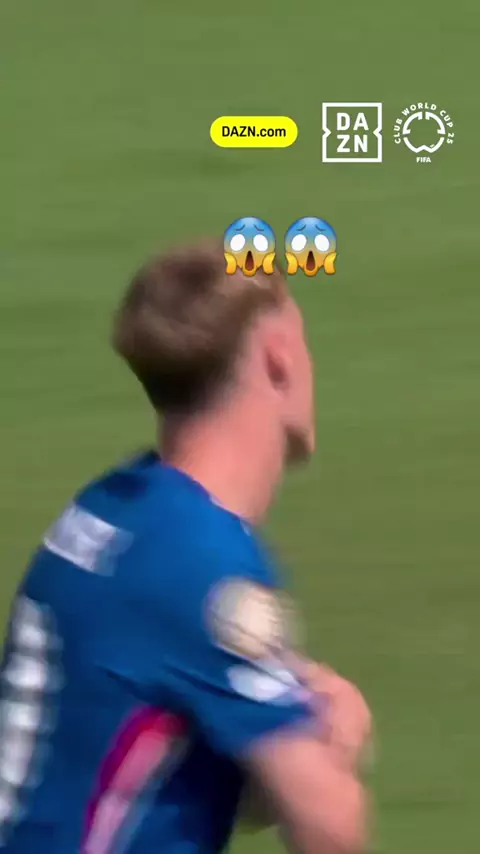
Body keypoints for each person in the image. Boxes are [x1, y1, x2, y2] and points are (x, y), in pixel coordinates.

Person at [0, 241, 372, 854]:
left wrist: (290, 719)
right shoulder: (202, 564)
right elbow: (329, 828)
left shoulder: (114, 506)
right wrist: (337, 742)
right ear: (278, 358)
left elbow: (190, 759)